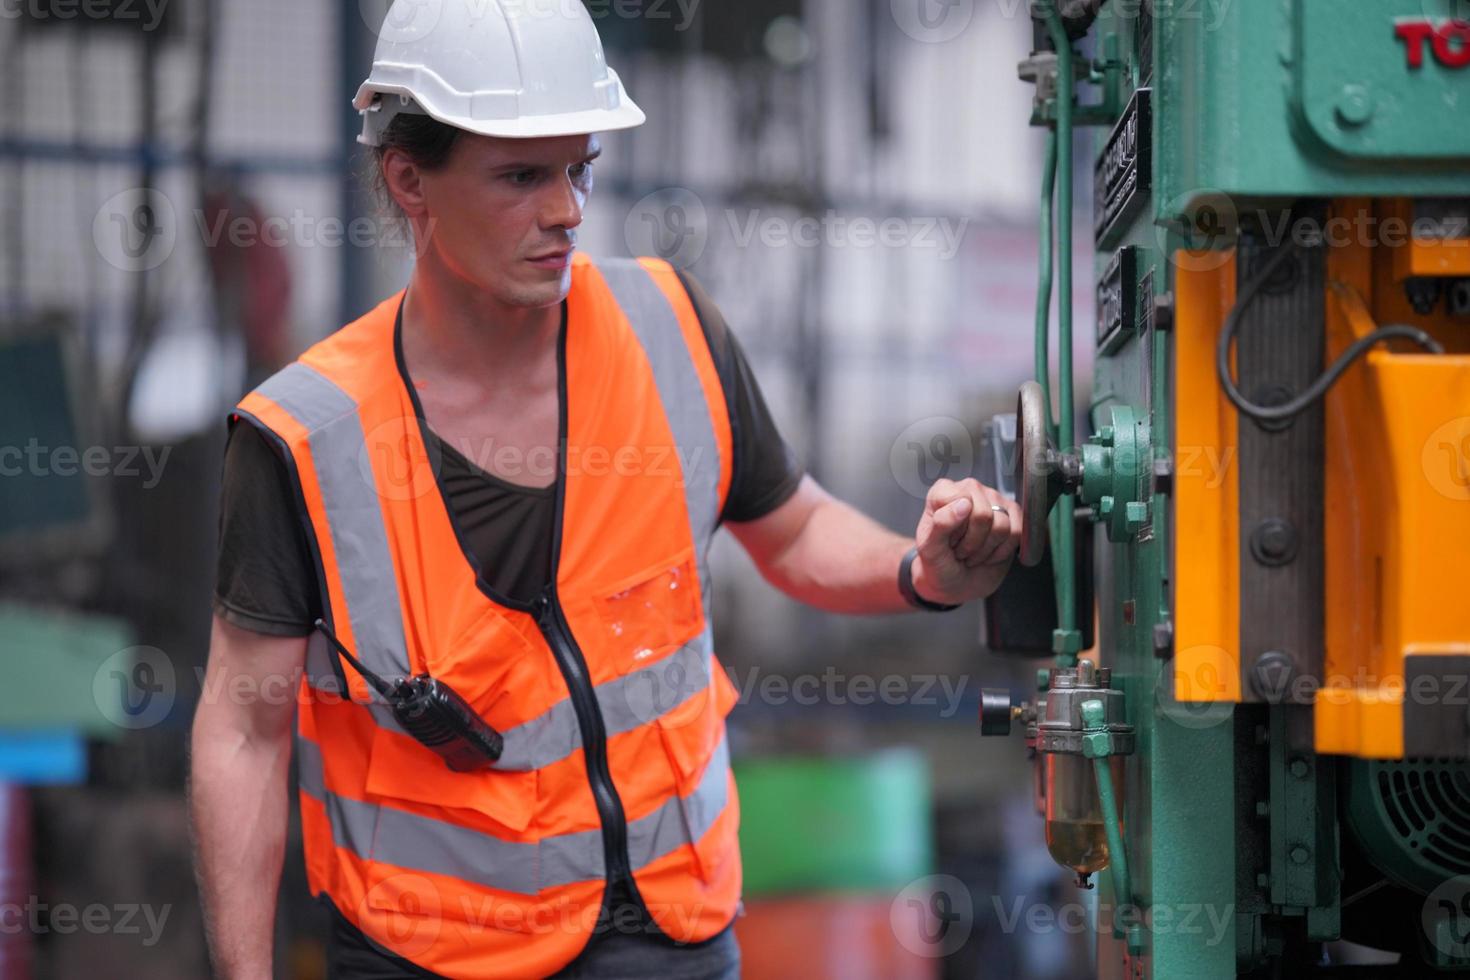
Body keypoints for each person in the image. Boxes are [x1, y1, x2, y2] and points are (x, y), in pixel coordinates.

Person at [188, 2, 1021, 977]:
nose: (567, 209)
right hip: (434, 954)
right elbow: (245, 728)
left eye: (577, 169)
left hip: (676, 932)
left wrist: (917, 569)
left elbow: (790, 532)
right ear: (409, 178)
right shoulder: (303, 438)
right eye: (521, 176)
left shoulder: (668, 327)